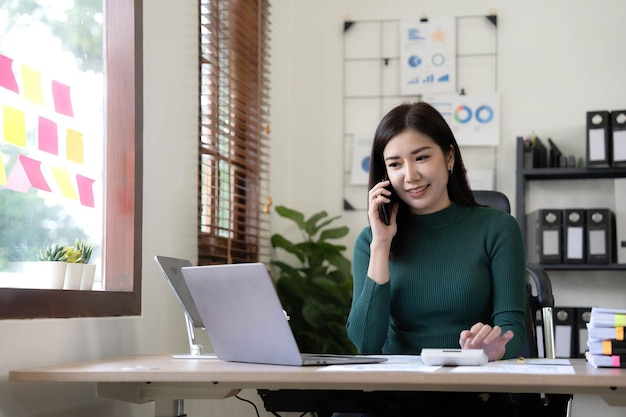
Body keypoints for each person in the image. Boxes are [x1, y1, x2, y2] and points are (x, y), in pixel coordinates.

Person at [345, 101, 527, 417]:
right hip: (391, 398)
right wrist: (381, 244)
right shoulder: (370, 242)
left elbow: (512, 327)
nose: (410, 175)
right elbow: (366, 343)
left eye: (422, 157)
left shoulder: (498, 228)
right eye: (395, 164)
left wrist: (495, 349)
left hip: (473, 395)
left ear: (449, 156)